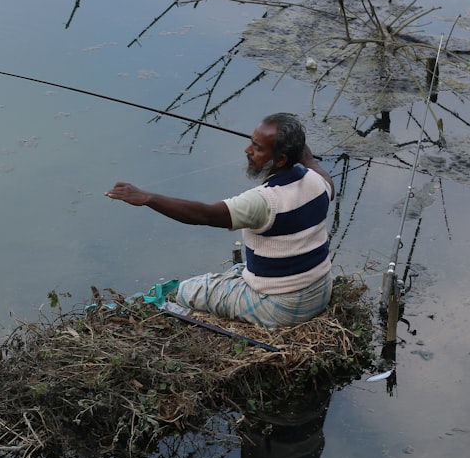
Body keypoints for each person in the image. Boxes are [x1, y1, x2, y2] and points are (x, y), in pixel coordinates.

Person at [105, 112, 335, 328]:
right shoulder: (318, 182)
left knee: (187, 290)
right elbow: (318, 171)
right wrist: (306, 157)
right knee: (238, 269)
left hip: (283, 307)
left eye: (257, 148)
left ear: (281, 159)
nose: (248, 150)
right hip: (320, 291)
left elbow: (204, 214)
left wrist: (148, 198)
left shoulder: (264, 201)